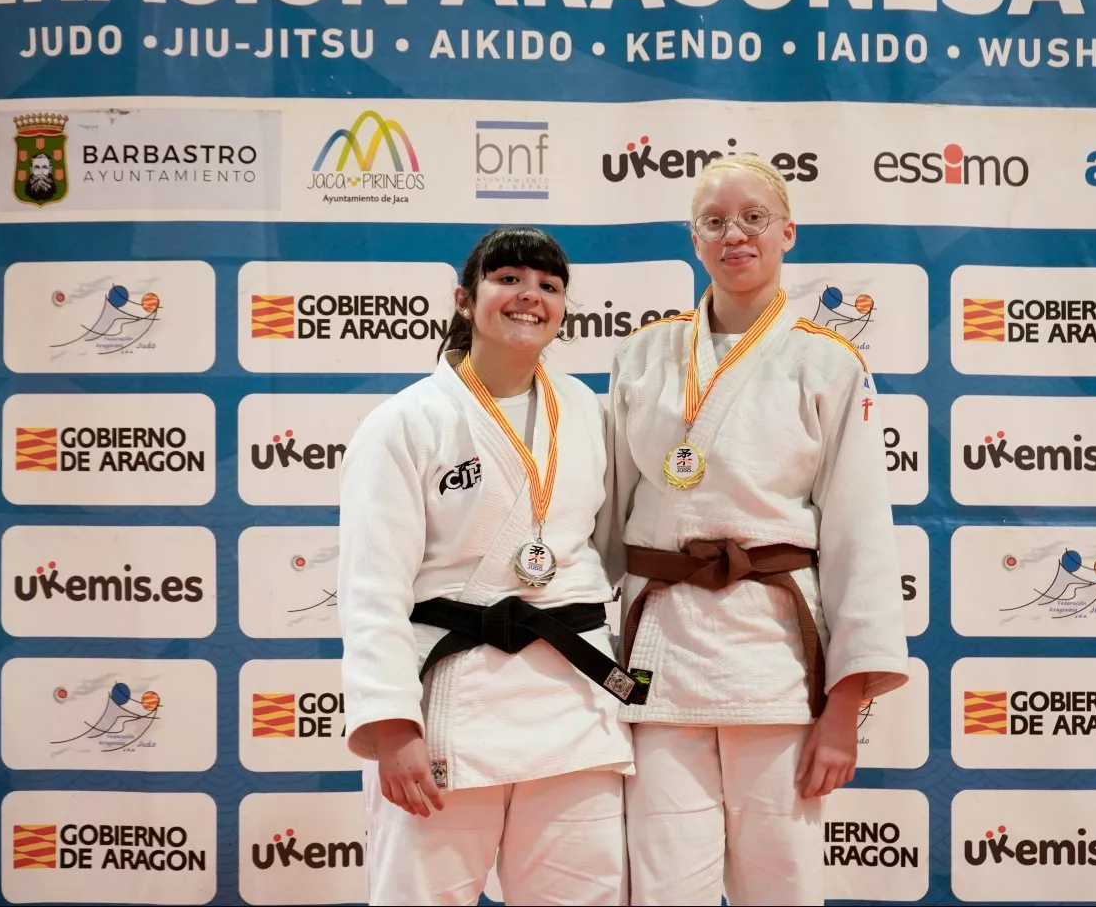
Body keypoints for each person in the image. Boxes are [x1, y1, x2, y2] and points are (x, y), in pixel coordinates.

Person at [607, 155, 911, 905]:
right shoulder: (643, 355)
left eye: (752, 218)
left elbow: (860, 537)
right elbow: (604, 519)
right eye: (714, 222)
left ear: (787, 233)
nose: (733, 235)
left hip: (774, 662)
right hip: (657, 659)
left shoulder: (827, 362)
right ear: (694, 239)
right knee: (663, 890)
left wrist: (844, 707)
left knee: (782, 887)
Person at [336, 226, 642, 906]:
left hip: (572, 706)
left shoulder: (585, 413)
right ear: (464, 301)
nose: (530, 295)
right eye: (508, 279)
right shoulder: (404, 423)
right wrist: (393, 725)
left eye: (548, 285)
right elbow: (370, 590)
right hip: (452, 704)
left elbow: (606, 549)